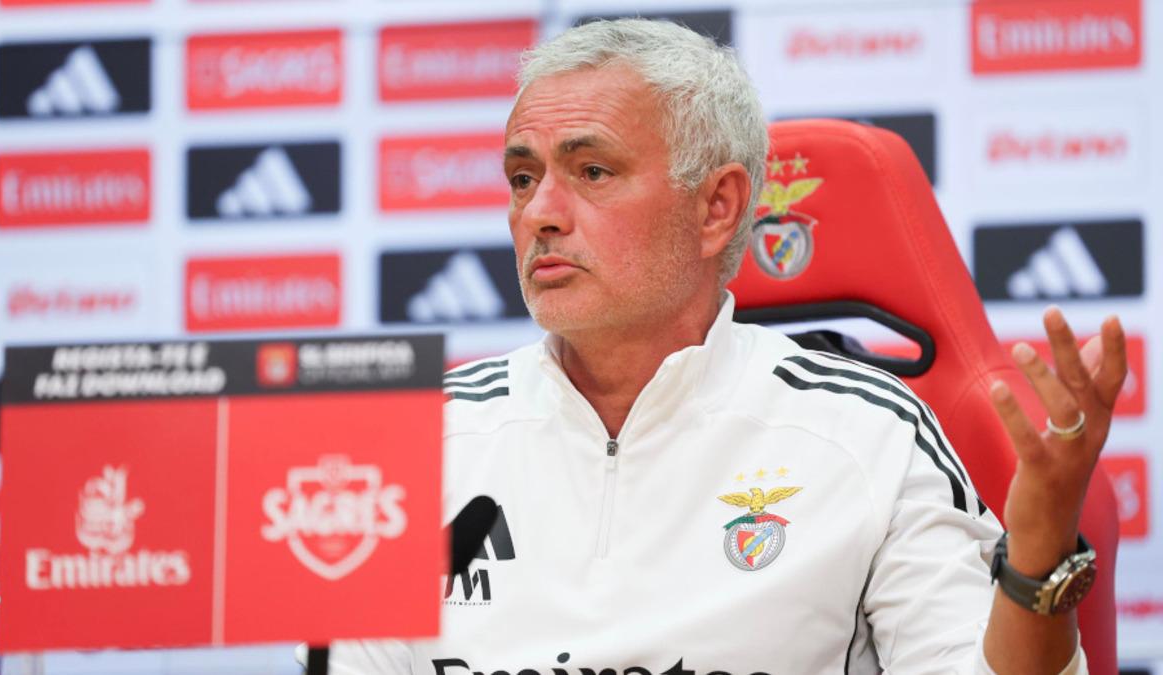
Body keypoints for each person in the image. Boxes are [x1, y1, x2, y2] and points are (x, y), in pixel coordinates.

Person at [322, 18, 1127, 674]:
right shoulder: (415, 443)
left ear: (716, 209)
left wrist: (1036, 556)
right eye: (523, 178)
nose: (540, 214)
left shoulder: (868, 435)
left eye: (592, 171)